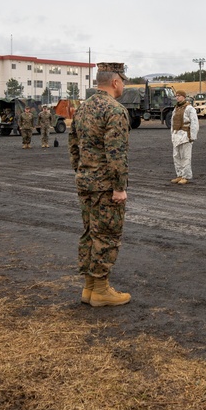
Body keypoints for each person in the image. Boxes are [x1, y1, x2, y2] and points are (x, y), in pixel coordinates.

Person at [68, 62, 131, 306]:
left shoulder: (83, 108)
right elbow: (116, 153)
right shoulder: (114, 110)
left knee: (89, 233)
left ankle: (89, 288)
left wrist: (82, 171)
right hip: (105, 185)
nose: (123, 85)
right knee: (107, 235)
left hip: (85, 182)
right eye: (123, 80)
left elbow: (73, 145)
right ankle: (101, 290)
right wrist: (119, 187)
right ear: (115, 82)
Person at [170, 89, 199, 184]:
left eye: (179, 95)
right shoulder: (176, 108)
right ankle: (179, 174)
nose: (177, 97)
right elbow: (172, 123)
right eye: (176, 96)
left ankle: (186, 176)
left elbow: (194, 123)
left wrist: (192, 136)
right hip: (176, 135)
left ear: (183, 96)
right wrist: (172, 134)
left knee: (185, 156)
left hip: (185, 136)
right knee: (176, 156)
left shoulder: (189, 108)